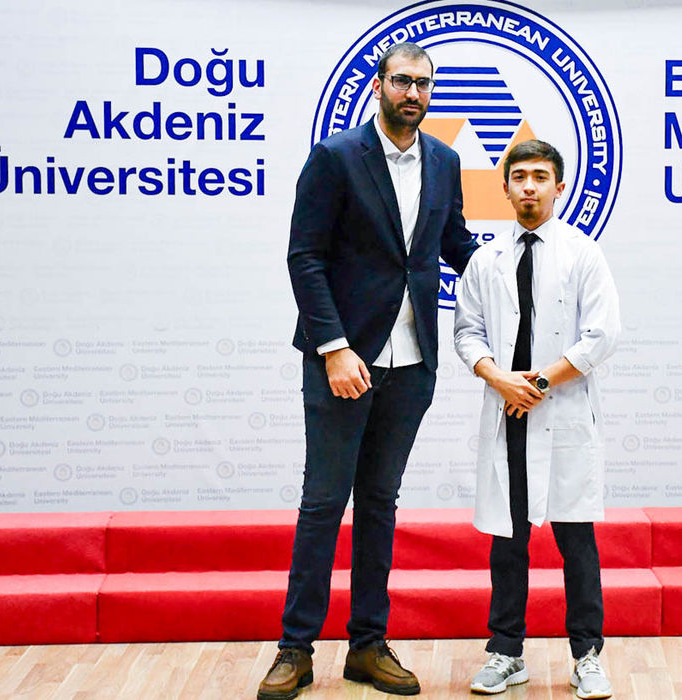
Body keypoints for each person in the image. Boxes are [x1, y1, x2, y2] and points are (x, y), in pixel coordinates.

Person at [257, 42, 477, 700]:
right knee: (324, 504)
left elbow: (455, 244)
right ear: (378, 85)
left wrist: (523, 263)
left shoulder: (445, 161)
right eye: (403, 81)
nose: (414, 93)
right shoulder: (335, 157)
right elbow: (305, 257)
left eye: (424, 84)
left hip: (412, 362)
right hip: (343, 362)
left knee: (380, 504)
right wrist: (333, 346)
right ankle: (295, 650)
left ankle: (367, 645)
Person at [453, 140, 620, 699]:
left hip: (562, 412)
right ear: (504, 188)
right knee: (509, 543)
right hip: (509, 414)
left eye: (540, 177)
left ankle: (587, 656)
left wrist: (540, 383)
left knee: (577, 543)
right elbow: (467, 332)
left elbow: (603, 335)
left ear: (559, 187)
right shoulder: (485, 260)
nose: (529, 186)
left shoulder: (582, 254)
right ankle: (506, 652)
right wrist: (500, 379)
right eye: (519, 176)